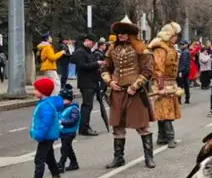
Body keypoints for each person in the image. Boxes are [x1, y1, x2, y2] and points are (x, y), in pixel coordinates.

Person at [101, 16, 157, 169]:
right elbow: (105, 68)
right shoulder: (112, 48)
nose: (120, 35)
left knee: (142, 126)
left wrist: (136, 86)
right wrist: (110, 82)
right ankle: (118, 158)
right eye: (119, 32)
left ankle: (149, 158)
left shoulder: (141, 48)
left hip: (135, 93)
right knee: (117, 126)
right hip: (117, 92)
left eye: (123, 32)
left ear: (130, 33)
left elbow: (148, 70)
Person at [20, 77, 64, 178]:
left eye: (36, 89)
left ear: (43, 91)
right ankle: (56, 177)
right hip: (48, 135)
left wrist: (40, 135)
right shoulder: (44, 103)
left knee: (39, 158)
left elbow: (45, 123)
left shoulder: (46, 106)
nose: (33, 91)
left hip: (46, 136)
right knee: (49, 157)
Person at [149, 23, 183, 148]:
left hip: (170, 81)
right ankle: (170, 138)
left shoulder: (169, 47)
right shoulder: (160, 48)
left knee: (164, 111)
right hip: (162, 82)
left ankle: (161, 136)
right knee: (165, 111)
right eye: (175, 36)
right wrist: (161, 86)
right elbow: (158, 68)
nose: (176, 38)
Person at [71, 34, 101, 136]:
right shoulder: (80, 52)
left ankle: (85, 126)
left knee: (88, 106)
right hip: (86, 83)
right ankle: (84, 128)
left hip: (92, 82)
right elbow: (82, 66)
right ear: (87, 41)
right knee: (87, 106)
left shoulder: (88, 52)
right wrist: (97, 64)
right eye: (92, 43)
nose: (93, 46)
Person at [57, 84, 80, 172]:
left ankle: (61, 164)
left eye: (63, 99)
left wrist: (62, 122)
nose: (61, 101)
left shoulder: (73, 109)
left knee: (64, 149)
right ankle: (74, 163)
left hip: (70, 132)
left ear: (69, 99)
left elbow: (73, 121)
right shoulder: (63, 108)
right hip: (63, 132)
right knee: (68, 148)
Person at [177, 40, 192, 105]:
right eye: (180, 44)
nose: (181, 46)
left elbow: (183, 62)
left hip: (183, 70)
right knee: (186, 85)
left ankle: (179, 100)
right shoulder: (185, 51)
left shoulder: (185, 52)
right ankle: (187, 99)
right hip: (186, 70)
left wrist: (180, 71)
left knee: (180, 86)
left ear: (186, 45)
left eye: (182, 44)